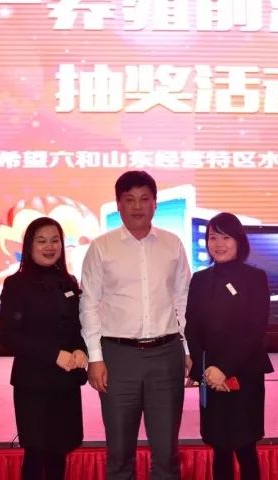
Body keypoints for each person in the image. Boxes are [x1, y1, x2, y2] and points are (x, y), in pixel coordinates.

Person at [80, 171, 192, 480]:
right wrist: (95, 358)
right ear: (118, 205)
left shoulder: (172, 244)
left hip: (166, 355)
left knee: (166, 452)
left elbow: (184, 299)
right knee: (119, 452)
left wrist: (187, 349)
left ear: (155, 203)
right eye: (129, 200)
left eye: (144, 199)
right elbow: (88, 304)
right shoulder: (102, 247)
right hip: (118, 357)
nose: (137, 206)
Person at [185, 212, 274, 480]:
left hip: (244, 374)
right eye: (213, 237)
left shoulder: (255, 277)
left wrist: (224, 368)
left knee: (245, 446)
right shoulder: (200, 279)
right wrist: (204, 370)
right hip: (210, 375)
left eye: (226, 237)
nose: (219, 244)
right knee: (219, 446)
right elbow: (192, 326)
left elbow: (254, 329)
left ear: (239, 241)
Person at [0, 216, 88, 480]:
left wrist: (81, 349)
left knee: (59, 452)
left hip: (66, 382)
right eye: (42, 241)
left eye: (55, 240)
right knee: (36, 455)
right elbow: (8, 335)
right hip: (34, 385)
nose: (49, 247)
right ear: (29, 246)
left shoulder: (69, 281)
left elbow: (76, 326)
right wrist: (54, 354)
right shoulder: (16, 284)